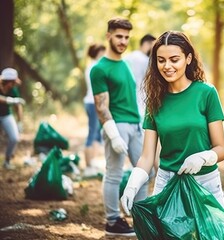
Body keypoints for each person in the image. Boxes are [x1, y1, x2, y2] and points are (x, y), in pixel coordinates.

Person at [120, 31, 224, 220]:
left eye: (174, 59)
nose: (167, 66)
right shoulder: (155, 101)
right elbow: (147, 156)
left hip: (205, 183)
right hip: (167, 183)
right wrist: (132, 184)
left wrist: (203, 157)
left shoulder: (206, 93)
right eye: (161, 60)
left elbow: (221, 149)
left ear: (188, 59)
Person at [90, 18, 147, 236]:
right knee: (114, 173)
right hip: (117, 125)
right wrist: (113, 135)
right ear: (108, 36)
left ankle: (140, 218)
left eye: (126, 37)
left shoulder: (125, 64)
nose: (123, 41)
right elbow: (101, 107)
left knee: (144, 172)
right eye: (118, 36)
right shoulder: (100, 69)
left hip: (135, 124)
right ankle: (112, 221)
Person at [83, 43, 105, 177]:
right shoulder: (94, 66)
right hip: (93, 103)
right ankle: (88, 166)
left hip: (93, 102)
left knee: (97, 133)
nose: (104, 54)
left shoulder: (94, 65)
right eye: (102, 52)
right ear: (97, 53)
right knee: (92, 133)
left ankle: (92, 162)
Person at [124, 34, 156, 121]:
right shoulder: (146, 60)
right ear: (147, 44)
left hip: (126, 100)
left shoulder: (127, 58)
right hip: (141, 101)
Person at [0, 68, 25, 169]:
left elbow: (18, 106)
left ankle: (7, 161)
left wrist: (19, 122)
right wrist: (9, 100)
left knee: (14, 138)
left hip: (6, 115)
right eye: (12, 82)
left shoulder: (13, 90)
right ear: (8, 81)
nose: (13, 85)